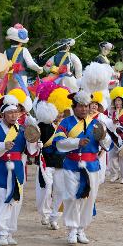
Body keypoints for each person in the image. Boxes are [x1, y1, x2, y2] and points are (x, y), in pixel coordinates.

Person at [53, 90, 112, 245]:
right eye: (81, 106)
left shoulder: (96, 124)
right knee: (71, 196)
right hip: (71, 165)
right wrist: (76, 142)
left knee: (89, 198)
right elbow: (58, 143)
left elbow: (107, 145)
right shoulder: (65, 122)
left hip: (92, 166)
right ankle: (72, 230)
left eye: (86, 106)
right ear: (74, 107)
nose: (84, 109)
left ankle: (81, 229)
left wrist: (104, 137)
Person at [0, 95, 39, 246]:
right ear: (2, 115)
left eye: (16, 112)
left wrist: (34, 142)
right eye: (10, 112)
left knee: (15, 203)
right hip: (0, 169)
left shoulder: (22, 130)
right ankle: (1, 232)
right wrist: (2, 146)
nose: (14, 115)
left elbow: (31, 152)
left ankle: (9, 232)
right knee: (1, 201)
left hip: (17, 169)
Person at [33, 84, 72, 230]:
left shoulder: (68, 125)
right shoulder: (42, 125)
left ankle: (55, 217)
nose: (60, 113)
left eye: (62, 109)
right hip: (45, 162)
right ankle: (45, 214)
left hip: (62, 162)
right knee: (46, 190)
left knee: (61, 191)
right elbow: (32, 141)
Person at [4, 23, 43, 92]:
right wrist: (39, 69)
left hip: (9, 77)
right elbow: (30, 64)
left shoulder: (6, 51)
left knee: (10, 95)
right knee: (22, 96)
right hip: (21, 76)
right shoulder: (24, 50)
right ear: (21, 42)